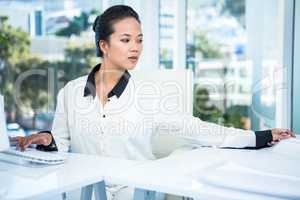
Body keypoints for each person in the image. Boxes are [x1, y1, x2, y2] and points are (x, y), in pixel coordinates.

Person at [11, 5, 295, 200]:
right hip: (83, 192)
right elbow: (61, 143)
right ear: (104, 45)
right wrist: (45, 138)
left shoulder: (150, 97)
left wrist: (259, 136)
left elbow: (200, 130)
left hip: (134, 192)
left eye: (139, 40)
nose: (135, 47)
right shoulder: (70, 93)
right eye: (125, 40)